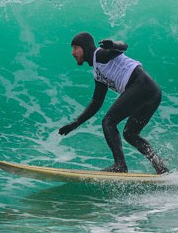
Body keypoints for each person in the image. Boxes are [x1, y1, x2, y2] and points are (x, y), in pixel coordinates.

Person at [58, 32, 169, 174]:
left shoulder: (100, 54)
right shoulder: (97, 72)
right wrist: (76, 123)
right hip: (152, 92)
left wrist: (113, 45)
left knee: (108, 122)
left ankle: (120, 165)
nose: (73, 53)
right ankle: (161, 168)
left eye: (75, 48)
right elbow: (96, 102)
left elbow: (123, 47)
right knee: (130, 134)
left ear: (85, 47)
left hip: (140, 85)